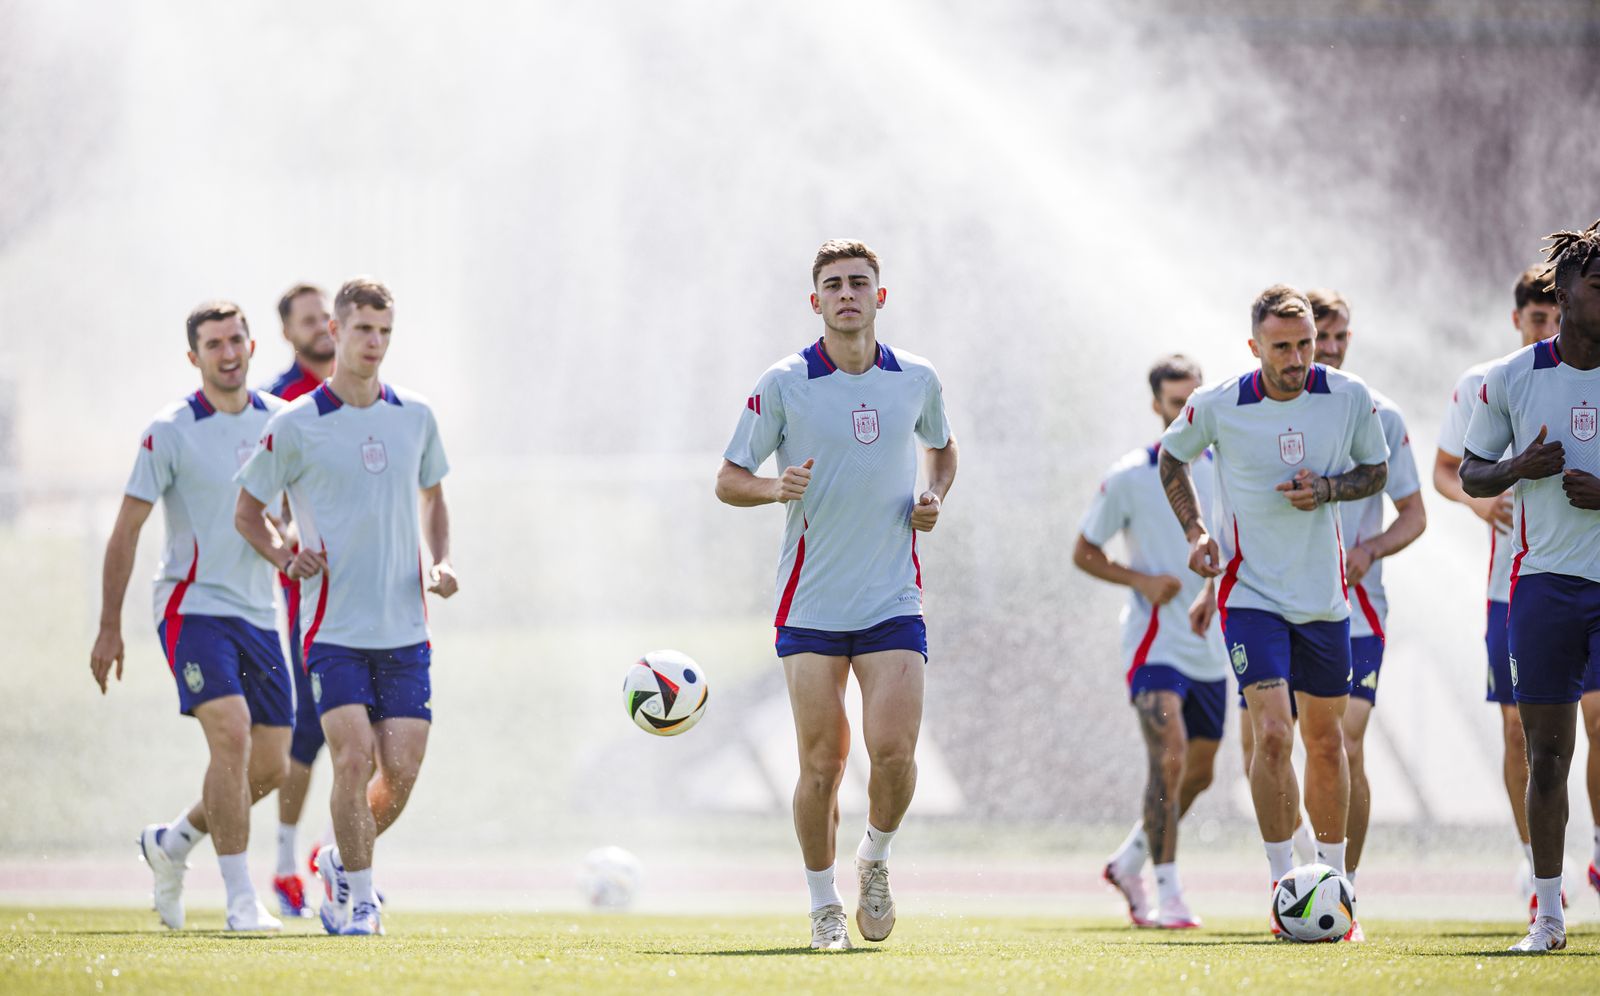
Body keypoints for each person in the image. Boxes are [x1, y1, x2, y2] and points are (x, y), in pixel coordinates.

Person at [716, 240, 956, 950]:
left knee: (893, 755)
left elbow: (943, 447)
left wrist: (933, 492)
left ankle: (874, 859)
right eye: (832, 285)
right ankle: (823, 906)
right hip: (811, 605)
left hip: (893, 599)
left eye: (859, 284)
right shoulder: (785, 382)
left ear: (880, 297)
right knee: (822, 764)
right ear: (814, 300)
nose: (846, 294)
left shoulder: (917, 378)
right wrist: (772, 487)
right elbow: (729, 477)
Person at [1158, 284, 1388, 938]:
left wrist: (1329, 488)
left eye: (1305, 344)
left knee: (1325, 740)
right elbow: (1172, 459)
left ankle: (1337, 890)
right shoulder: (1219, 403)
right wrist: (1195, 532)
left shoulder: (1348, 396)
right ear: (1253, 346)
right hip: (1250, 596)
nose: (1296, 358)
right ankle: (1282, 886)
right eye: (1281, 346)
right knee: (1273, 735)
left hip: (1323, 601)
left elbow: (1373, 472)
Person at [235, 276, 457, 937]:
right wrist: (284, 556)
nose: (375, 342)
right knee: (351, 758)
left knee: (402, 772)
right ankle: (359, 902)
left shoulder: (414, 414)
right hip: (331, 628)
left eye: (385, 331)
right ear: (335, 331)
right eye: (363, 329)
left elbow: (435, 498)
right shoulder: (295, 424)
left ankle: (336, 860)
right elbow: (248, 514)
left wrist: (441, 561)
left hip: (406, 627)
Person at [89, 301, 290, 931]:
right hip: (191, 606)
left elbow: (290, 511)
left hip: (260, 613)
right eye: (214, 344)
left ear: (252, 347)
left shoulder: (284, 421)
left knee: (272, 766)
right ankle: (239, 900)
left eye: (236, 341)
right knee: (229, 734)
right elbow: (126, 531)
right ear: (194, 356)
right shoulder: (169, 429)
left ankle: (173, 842)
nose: (227, 353)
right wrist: (109, 624)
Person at [1461, 220, 1600, 954]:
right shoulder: (1512, 378)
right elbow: (1471, 471)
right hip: (1543, 587)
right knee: (1547, 756)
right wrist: (1519, 468)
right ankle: (1547, 916)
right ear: (1568, 292)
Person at [1077, 356, 1226, 930]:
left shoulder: (1226, 467)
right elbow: (1084, 550)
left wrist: (1213, 590)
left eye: (1192, 401)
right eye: (1173, 402)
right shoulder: (1129, 475)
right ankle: (1169, 893)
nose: (1183, 411)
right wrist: (1141, 581)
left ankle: (1129, 860)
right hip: (1152, 641)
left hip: (1209, 641)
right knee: (1170, 756)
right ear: (1156, 406)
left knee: (1201, 771)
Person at [1305, 289, 1426, 929]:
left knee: (1345, 739)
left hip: (1358, 611)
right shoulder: (1272, 412)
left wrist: (1370, 548)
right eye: (1318, 336)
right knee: (1274, 742)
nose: (1328, 348)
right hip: (1280, 604)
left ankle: (1342, 889)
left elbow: (1415, 514)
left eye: (1338, 336)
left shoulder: (1382, 414)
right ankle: (1294, 876)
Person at [264, 282, 333, 918]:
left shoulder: (370, 394)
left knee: (372, 725)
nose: (324, 327)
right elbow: (267, 501)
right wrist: (289, 538)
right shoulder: (281, 403)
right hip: (308, 594)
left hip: (373, 592)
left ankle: (338, 857)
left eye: (328, 316)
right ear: (288, 332)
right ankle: (285, 861)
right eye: (309, 320)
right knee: (309, 729)